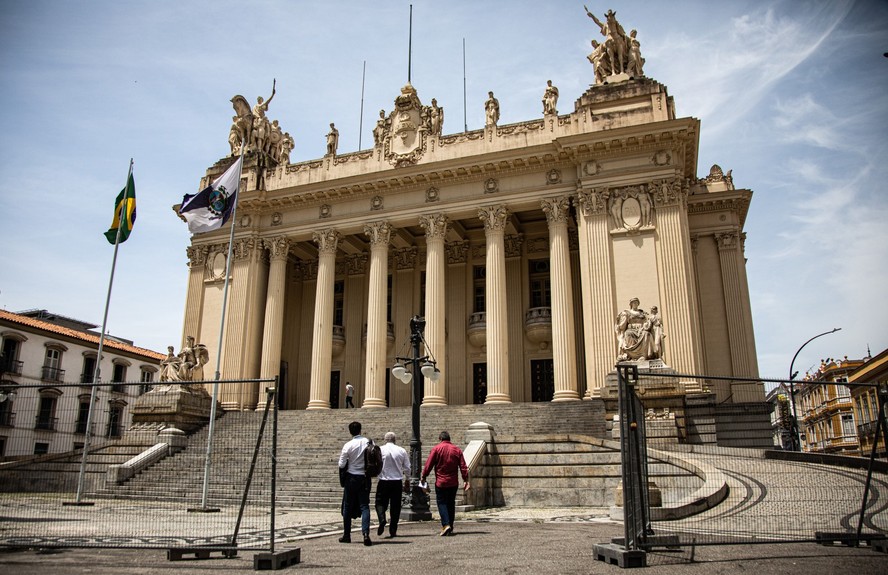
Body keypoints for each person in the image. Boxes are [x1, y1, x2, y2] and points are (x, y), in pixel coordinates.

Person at [421, 431, 470, 536]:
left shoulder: (436, 449)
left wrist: (424, 476)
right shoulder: (457, 450)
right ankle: (450, 526)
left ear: (440, 439)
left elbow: (428, 464)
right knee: (451, 503)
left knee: (442, 503)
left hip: (441, 482)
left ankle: (446, 524)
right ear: (449, 439)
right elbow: (463, 466)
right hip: (453, 482)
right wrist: (466, 479)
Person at [338, 421, 372, 545]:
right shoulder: (369, 442)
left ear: (350, 432)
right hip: (364, 478)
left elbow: (341, 464)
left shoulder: (348, 445)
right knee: (364, 506)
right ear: (360, 430)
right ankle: (366, 534)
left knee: (347, 506)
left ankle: (347, 535)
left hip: (351, 478)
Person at [375, 432, 410, 538]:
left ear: (385, 439)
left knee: (380, 502)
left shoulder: (380, 450)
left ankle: (382, 518)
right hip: (396, 481)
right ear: (395, 439)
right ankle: (393, 529)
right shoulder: (401, 450)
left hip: (383, 480)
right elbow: (407, 467)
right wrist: (407, 479)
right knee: (395, 506)